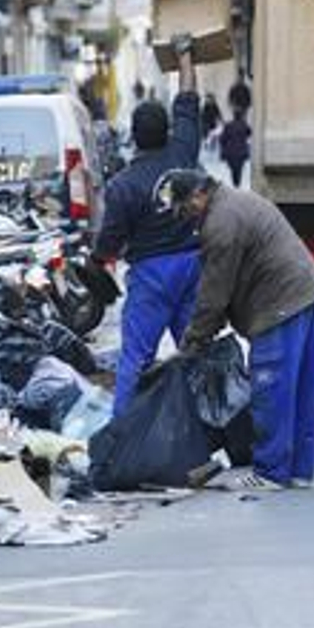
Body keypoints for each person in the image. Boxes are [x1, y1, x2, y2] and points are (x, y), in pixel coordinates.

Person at [158, 168, 314, 491]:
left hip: (279, 305)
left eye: (183, 209)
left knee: (272, 389)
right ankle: (299, 471)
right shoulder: (238, 202)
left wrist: (191, 344)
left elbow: (214, 295)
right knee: (303, 391)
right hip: (309, 295)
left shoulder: (220, 224)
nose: (184, 219)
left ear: (198, 195)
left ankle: (270, 472)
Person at [94, 39, 204, 414]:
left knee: (136, 359)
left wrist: (98, 259)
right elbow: (188, 99)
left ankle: (120, 440)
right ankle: (214, 428)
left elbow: (109, 242)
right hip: (193, 265)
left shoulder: (124, 185)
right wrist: (186, 55)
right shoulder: (183, 151)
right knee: (196, 356)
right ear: (166, 131)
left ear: (135, 137)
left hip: (152, 275)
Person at [220, 107, 252, 188]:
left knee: (233, 169)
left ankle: (235, 184)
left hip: (230, 151)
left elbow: (223, 138)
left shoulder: (228, 125)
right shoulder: (244, 125)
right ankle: (237, 184)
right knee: (239, 170)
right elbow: (249, 133)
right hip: (241, 151)